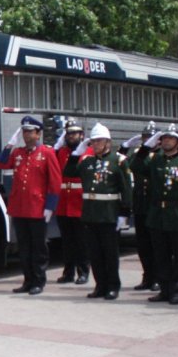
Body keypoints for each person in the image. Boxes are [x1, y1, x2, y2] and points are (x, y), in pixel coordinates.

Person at [133, 123, 178, 305]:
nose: (166, 141)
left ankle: (177, 291)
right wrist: (146, 146)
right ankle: (164, 290)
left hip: (177, 213)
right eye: (164, 138)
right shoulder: (154, 160)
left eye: (171, 138)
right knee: (160, 254)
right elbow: (136, 166)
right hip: (157, 213)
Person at [0, 116, 62, 295]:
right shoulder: (18, 153)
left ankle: (38, 281)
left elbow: (55, 181)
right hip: (19, 207)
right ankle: (27, 280)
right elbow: (0, 163)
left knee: (38, 247)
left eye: (30, 132)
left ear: (38, 134)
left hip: (37, 208)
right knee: (24, 247)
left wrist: (50, 206)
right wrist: (9, 145)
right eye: (24, 132)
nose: (26, 135)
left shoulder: (47, 153)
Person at [77, 123, 132, 300]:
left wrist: (124, 213)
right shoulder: (87, 161)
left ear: (108, 142)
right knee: (95, 254)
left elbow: (126, 188)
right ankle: (100, 286)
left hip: (109, 214)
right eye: (93, 141)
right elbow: (69, 171)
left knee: (110, 254)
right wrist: (77, 152)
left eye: (99, 141)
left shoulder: (118, 161)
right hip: (91, 213)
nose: (96, 144)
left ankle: (113, 286)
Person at [122, 121, 160, 292]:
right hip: (140, 204)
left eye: (150, 137)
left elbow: (146, 168)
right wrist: (125, 147)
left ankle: (158, 277)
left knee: (156, 244)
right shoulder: (139, 154)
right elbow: (125, 163)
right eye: (145, 137)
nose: (147, 140)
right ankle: (147, 276)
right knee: (143, 245)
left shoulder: (161, 155)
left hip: (154, 205)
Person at [53, 119, 91, 285]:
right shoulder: (61, 152)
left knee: (82, 241)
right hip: (63, 202)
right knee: (67, 241)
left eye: (74, 133)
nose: (71, 136)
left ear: (81, 135)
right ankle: (68, 272)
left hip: (79, 202)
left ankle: (83, 272)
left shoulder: (88, 151)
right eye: (68, 133)